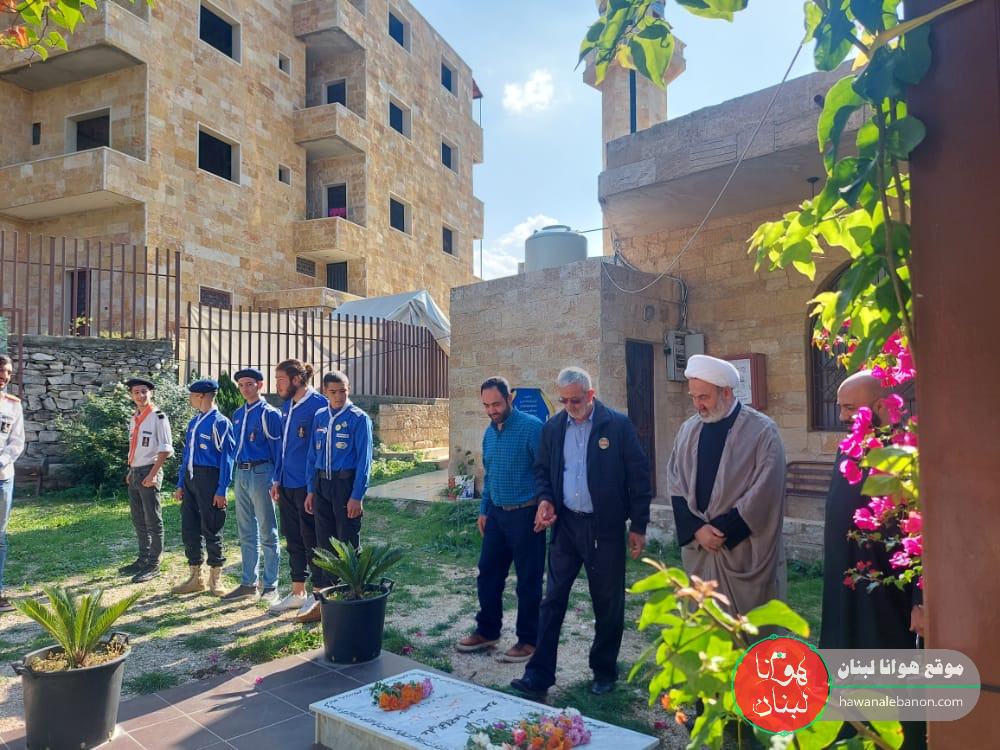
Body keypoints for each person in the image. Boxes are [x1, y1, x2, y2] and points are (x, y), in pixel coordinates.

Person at [511, 367, 651, 698]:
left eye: (575, 400)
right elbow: (542, 471)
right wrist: (545, 500)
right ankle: (538, 676)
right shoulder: (554, 427)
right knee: (552, 601)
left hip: (605, 528)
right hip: (567, 527)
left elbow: (639, 476)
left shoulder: (616, 425)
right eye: (564, 400)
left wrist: (639, 525)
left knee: (607, 602)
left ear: (590, 395)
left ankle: (604, 671)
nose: (570, 406)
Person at [820, 371, 926, 749]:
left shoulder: (906, 454)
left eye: (851, 408)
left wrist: (921, 599)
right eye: (840, 408)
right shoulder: (848, 447)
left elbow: (925, 530)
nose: (842, 417)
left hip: (888, 595)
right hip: (845, 589)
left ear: (881, 406)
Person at [666, 354, 787, 618]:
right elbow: (675, 483)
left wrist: (723, 531)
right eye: (693, 397)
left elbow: (766, 490)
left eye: (704, 397)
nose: (698, 405)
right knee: (702, 625)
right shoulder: (688, 430)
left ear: (727, 392)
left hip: (741, 551)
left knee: (745, 629)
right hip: (700, 549)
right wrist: (697, 529)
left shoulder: (762, 431)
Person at [456, 376, 544, 663]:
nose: (492, 410)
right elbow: (490, 473)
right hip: (496, 514)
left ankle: (529, 641)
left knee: (528, 580)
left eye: (496, 404)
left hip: (527, 515)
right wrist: (484, 509)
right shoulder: (489, 433)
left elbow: (546, 472)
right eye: (486, 405)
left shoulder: (532, 428)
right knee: (488, 574)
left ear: (509, 398)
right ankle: (487, 631)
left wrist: (546, 506)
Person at [302, 370, 374, 622]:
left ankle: (351, 596)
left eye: (343, 391)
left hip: (345, 486)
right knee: (324, 542)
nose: (339, 396)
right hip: (322, 484)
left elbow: (364, 460)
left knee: (347, 542)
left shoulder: (358, 418)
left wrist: (357, 495)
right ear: (325, 392)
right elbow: (312, 456)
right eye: (333, 392)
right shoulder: (320, 416)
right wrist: (311, 490)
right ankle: (327, 600)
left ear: (348, 389)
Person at [268, 359, 328, 620]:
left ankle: (318, 594)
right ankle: (297, 592)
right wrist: (277, 479)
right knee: (292, 538)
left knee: (312, 540)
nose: (277, 385)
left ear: (296, 379)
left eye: (280, 379)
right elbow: (282, 446)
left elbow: (320, 450)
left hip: (307, 485)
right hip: (286, 483)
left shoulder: (319, 405)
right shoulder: (287, 406)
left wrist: (313, 488)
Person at [222, 367, 283, 604]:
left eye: (249, 384)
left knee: (267, 530)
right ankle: (248, 583)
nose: (245, 389)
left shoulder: (270, 414)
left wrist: (277, 479)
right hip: (242, 472)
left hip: (261, 472)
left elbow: (278, 450)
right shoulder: (238, 414)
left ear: (260, 385)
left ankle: (271, 585)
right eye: (241, 385)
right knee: (246, 530)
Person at [171, 378, 236, 597]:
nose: (189, 399)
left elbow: (227, 458)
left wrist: (222, 488)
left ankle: (215, 578)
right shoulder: (194, 422)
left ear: (201, 396)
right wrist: (181, 483)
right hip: (191, 478)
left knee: (212, 527)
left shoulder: (221, 423)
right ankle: (195, 576)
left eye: (191, 395)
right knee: (189, 527)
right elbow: (186, 455)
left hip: (210, 478)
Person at [120, 377, 174, 584]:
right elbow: (135, 446)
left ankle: (153, 564)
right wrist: (131, 469)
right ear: (131, 395)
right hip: (136, 471)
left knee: (153, 519)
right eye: (136, 392)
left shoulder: (158, 417)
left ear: (151, 393)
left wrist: (153, 474)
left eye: (144, 391)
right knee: (138, 518)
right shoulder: (135, 417)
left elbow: (165, 449)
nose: (141, 395)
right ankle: (143, 558)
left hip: (149, 471)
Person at [0, 355, 25, 613]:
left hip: (3, 477)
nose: (4, 376)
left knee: (0, 537)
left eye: (8, 372)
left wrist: (2, 461)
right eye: (1, 371)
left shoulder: (13, 405)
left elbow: (17, 441)